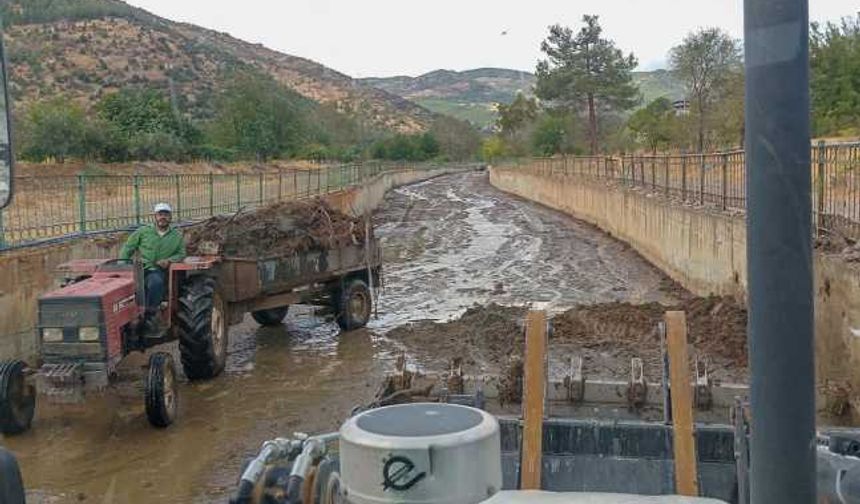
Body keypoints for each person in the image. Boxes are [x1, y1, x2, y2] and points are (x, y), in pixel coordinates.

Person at [120, 203, 186, 329]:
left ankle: (149, 315)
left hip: (157, 270)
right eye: (160, 214)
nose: (163, 217)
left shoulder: (176, 236)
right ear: (155, 216)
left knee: (155, 283)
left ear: (170, 217)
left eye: (166, 215)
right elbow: (128, 248)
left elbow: (181, 253)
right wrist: (123, 265)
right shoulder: (143, 232)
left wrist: (169, 260)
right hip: (140, 268)